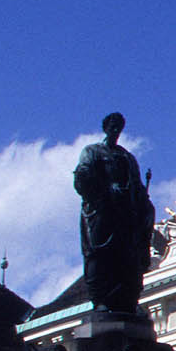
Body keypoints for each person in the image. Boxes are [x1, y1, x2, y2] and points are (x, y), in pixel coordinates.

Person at [73, 112, 158, 313]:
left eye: (119, 126)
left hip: (125, 213)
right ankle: (100, 299)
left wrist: (145, 205)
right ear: (105, 127)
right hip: (102, 210)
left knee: (128, 256)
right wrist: (106, 188)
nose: (115, 129)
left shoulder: (128, 157)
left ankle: (129, 300)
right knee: (100, 255)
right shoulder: (92, 151)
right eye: (112, 125)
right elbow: (82, 178)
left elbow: (136, 186)